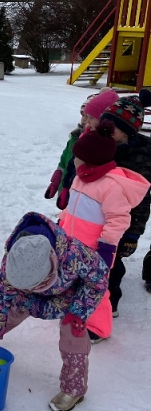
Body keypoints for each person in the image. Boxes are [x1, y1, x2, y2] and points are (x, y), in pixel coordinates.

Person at [0, 212, 109, 411]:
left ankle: (73, 389)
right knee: (3, 317)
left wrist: (79, 310)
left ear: (53, 260)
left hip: (67, 300)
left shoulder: (75, 254)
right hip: (25, 300)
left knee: (73, 333)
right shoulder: (13, 260)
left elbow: (98, 279)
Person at [58, 122, 149, 342]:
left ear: (92, 159)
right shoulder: (81, 177)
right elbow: (74, 208)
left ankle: (97, 328)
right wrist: (61, 225)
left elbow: (118, 219)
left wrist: (107, 247)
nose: (74, 160)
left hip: (96, 249)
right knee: (73, 281)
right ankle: (76, 312)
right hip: (72, 244)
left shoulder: (112, 186)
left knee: (96, 289)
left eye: (77, 156)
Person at [98, 90, 151, 311]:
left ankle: (110, 303)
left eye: (112, 126)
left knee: (112, 262)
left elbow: (141, 201)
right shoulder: (104, 144)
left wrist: (132, 234)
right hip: (99, 214)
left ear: (128, 131)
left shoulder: (142, 159)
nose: (105, 129)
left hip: (123, 222)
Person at [44, 88, 119, 210]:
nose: (85, 120)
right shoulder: (76, 137)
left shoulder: (103, 148)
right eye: (83, 115)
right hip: (68, 192)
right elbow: (65, 161)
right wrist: (58, 180)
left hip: (83, 201)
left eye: (89, 116)